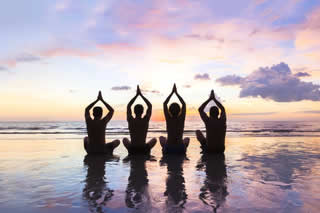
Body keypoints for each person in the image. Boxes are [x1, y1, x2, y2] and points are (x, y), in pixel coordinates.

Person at [123, 85, 157, 155]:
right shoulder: (145, 120)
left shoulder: (130, 120)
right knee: (154, 139)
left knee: (125, 139)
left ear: (134, 111)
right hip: (143, 149)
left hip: (132, 149)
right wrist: (141, 95)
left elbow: (129, 106)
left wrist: (136, 95)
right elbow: (149, 106)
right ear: (142, 111)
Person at [160, 84, 189, 154]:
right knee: (187, 139)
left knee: (161, 138)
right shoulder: (181, 118)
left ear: (169, 111)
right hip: (180, 149)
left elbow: (164, 104)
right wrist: (176, 93)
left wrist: (172, 93)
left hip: (168, 149)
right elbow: (184, 104)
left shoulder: (168, 118)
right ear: (180, 111)